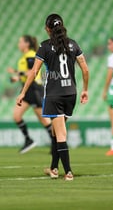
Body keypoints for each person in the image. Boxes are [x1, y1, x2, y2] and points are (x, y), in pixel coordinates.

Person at [16, 14, 89, 181]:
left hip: (54, 94)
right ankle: (54, 168)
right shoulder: (73, 44)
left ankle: (68, 172)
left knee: (60, 134)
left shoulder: (45, 46)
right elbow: (85, 69)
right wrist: (85, 90)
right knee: (57, 132)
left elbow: (34, 72)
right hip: (71, 93)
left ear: (47, 29)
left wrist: (22, 92)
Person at [8, 35, 53, 153]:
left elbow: (32, 72)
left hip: (34, 88)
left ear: (27, 44)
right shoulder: (25, 56)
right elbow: (26, 75)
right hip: (28, 88)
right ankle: (29, 140)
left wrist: (17, 73)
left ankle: (57, 143)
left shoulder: (31, 55)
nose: (19, 44)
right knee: (16, 116)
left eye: (20, 42)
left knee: (43, 119)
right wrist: (17, 78)